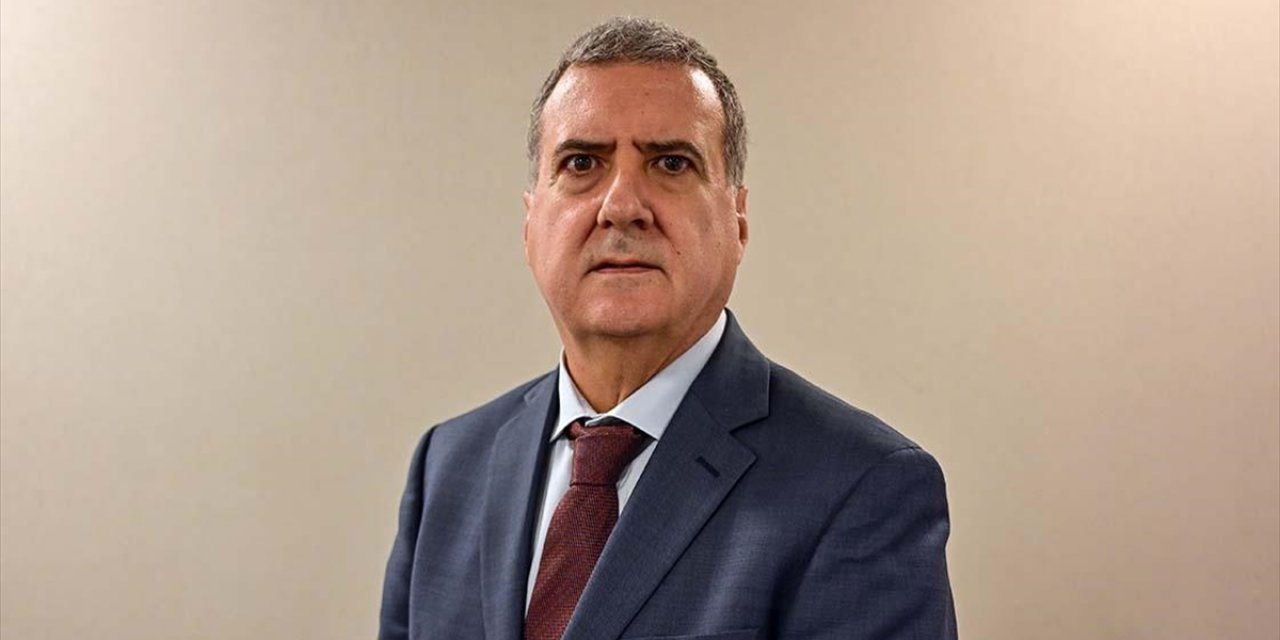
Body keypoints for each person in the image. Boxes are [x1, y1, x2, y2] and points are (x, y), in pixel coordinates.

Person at [379, 16, 957, 640]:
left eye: (671, 163)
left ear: (737, 219)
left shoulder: (862, 485)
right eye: (581, 162)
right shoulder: (449, 464)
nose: (622, 206)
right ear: (530, 222)